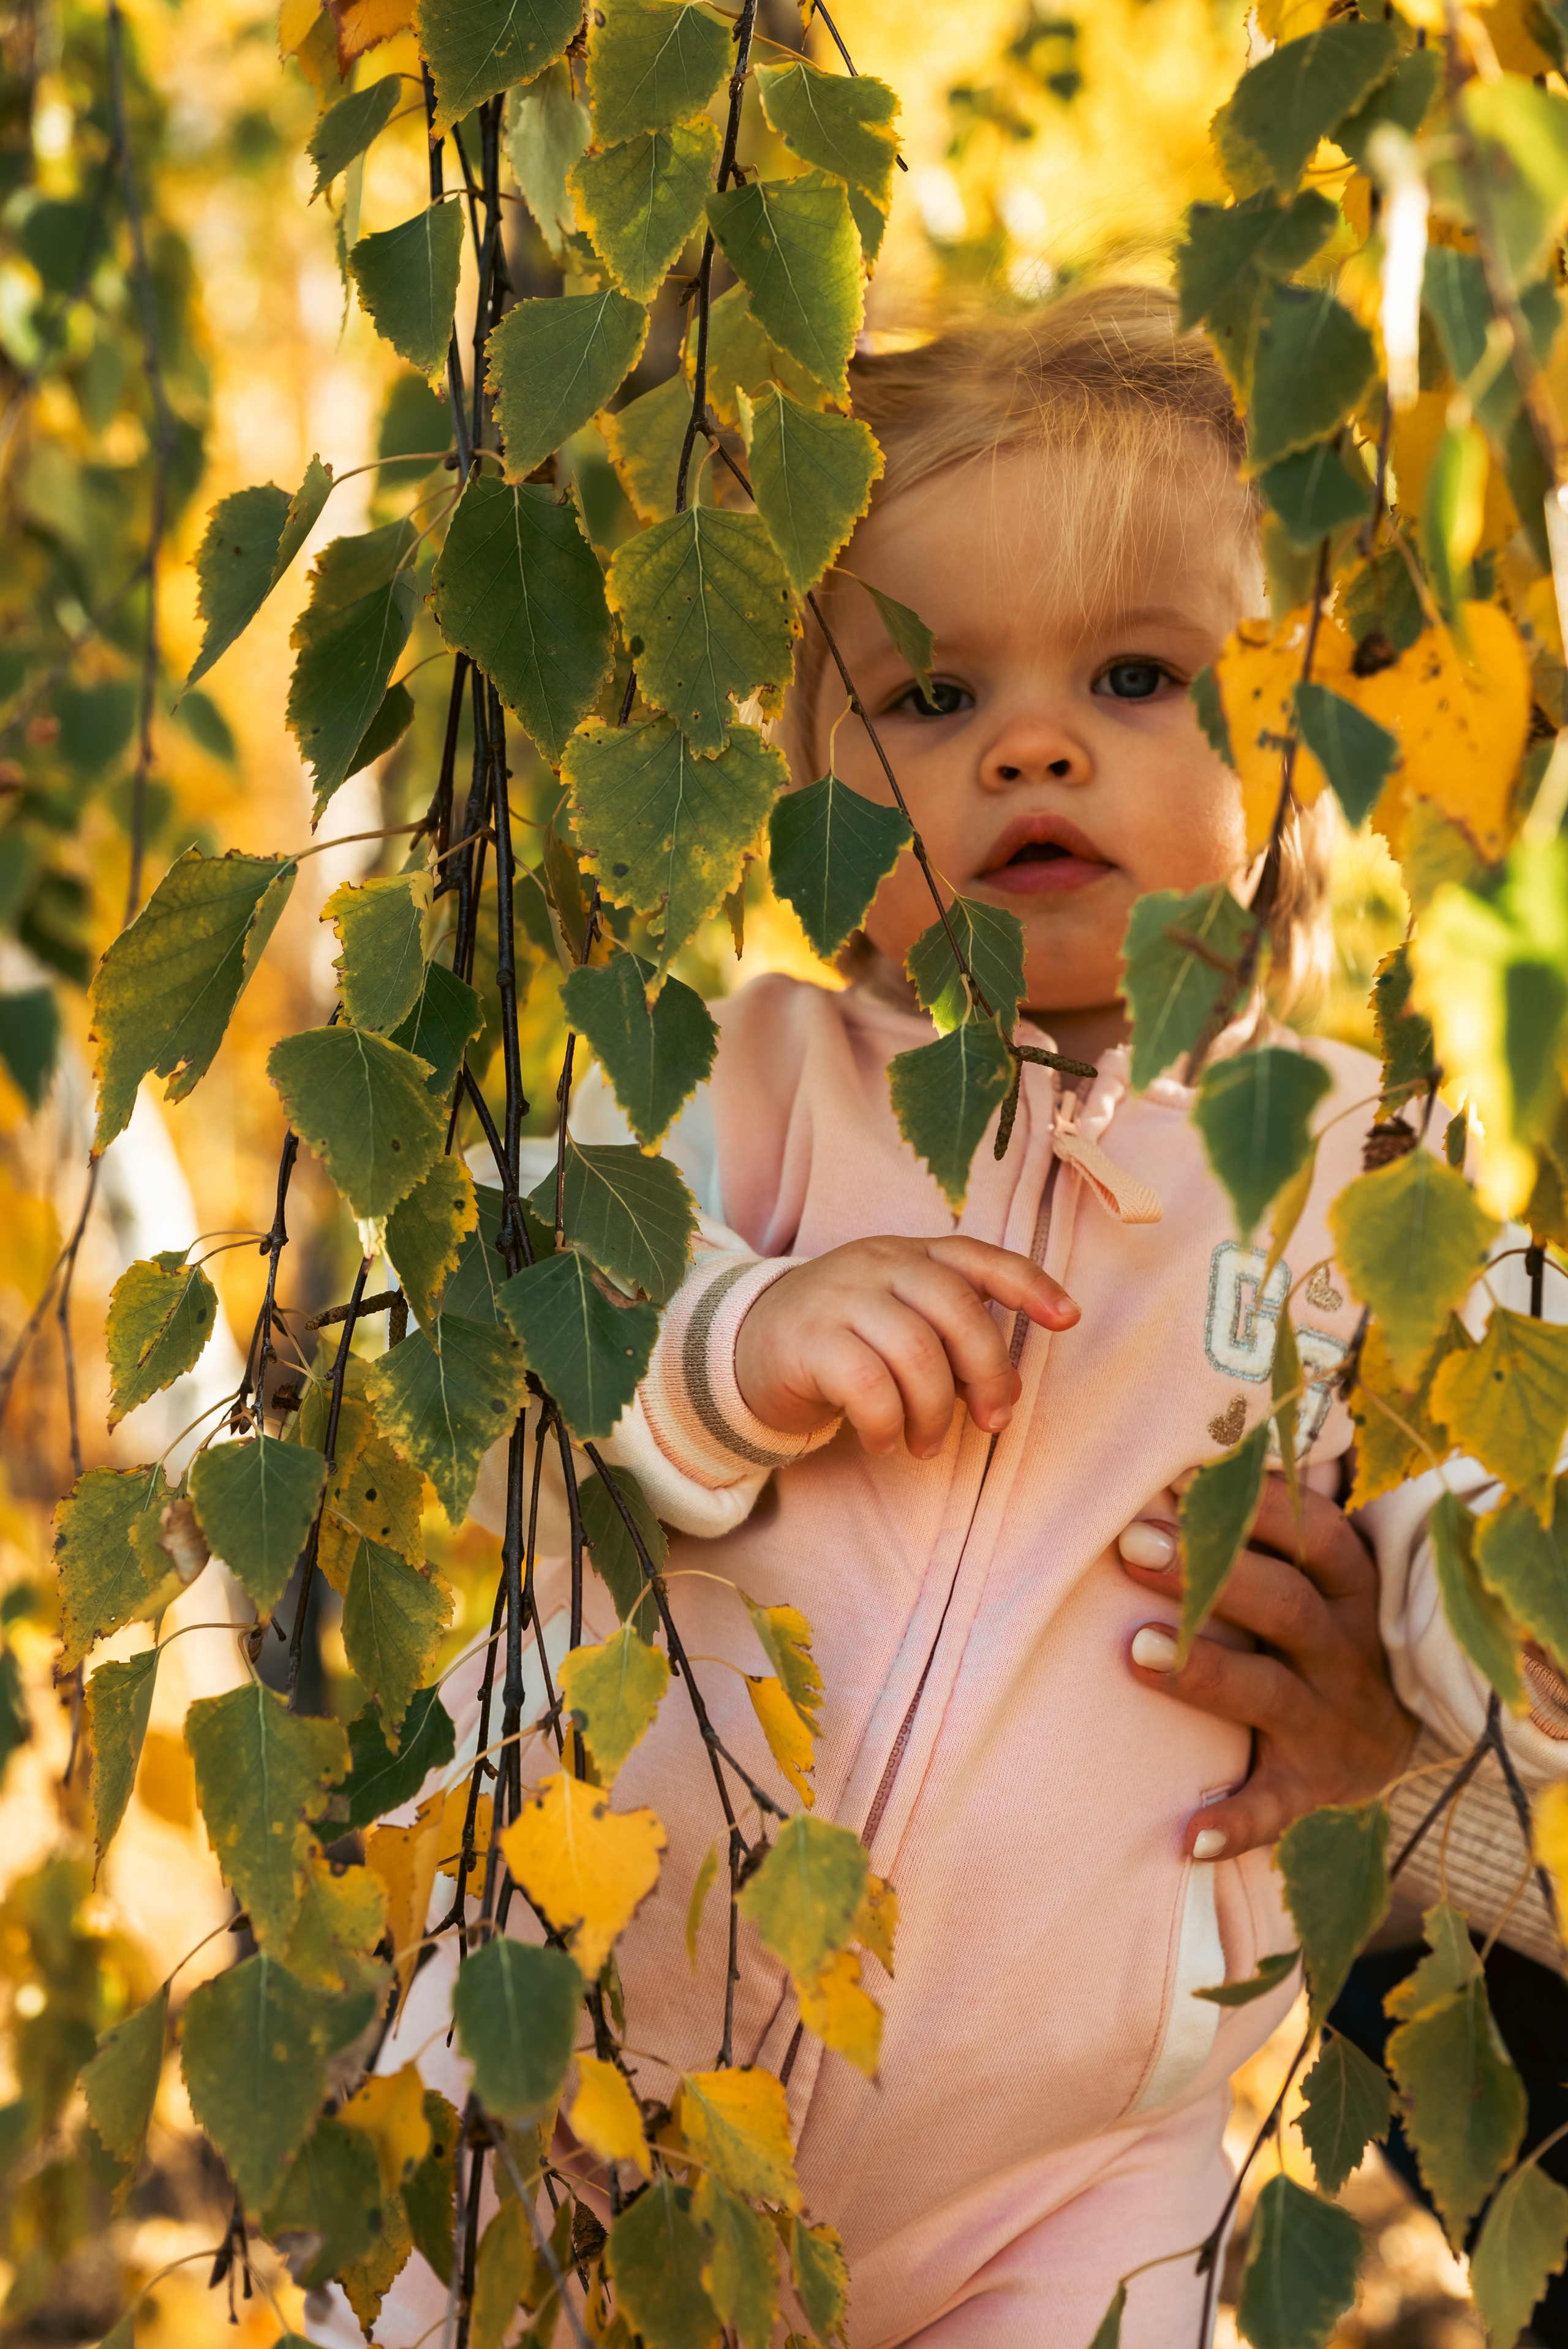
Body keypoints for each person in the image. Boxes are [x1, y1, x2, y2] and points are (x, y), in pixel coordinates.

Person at [347, 287, 1561, 2349]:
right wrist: (738, 1338)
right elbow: (497, 1307)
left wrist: (1482, 1598)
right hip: (572, 2061)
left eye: (1139, 675)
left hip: (1062, 2178)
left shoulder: (1364, 1170)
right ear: (813, 776)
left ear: (1297, 739)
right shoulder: (744, 1071)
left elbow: (1474, 1478)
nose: (1028, 742)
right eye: (927, 700)